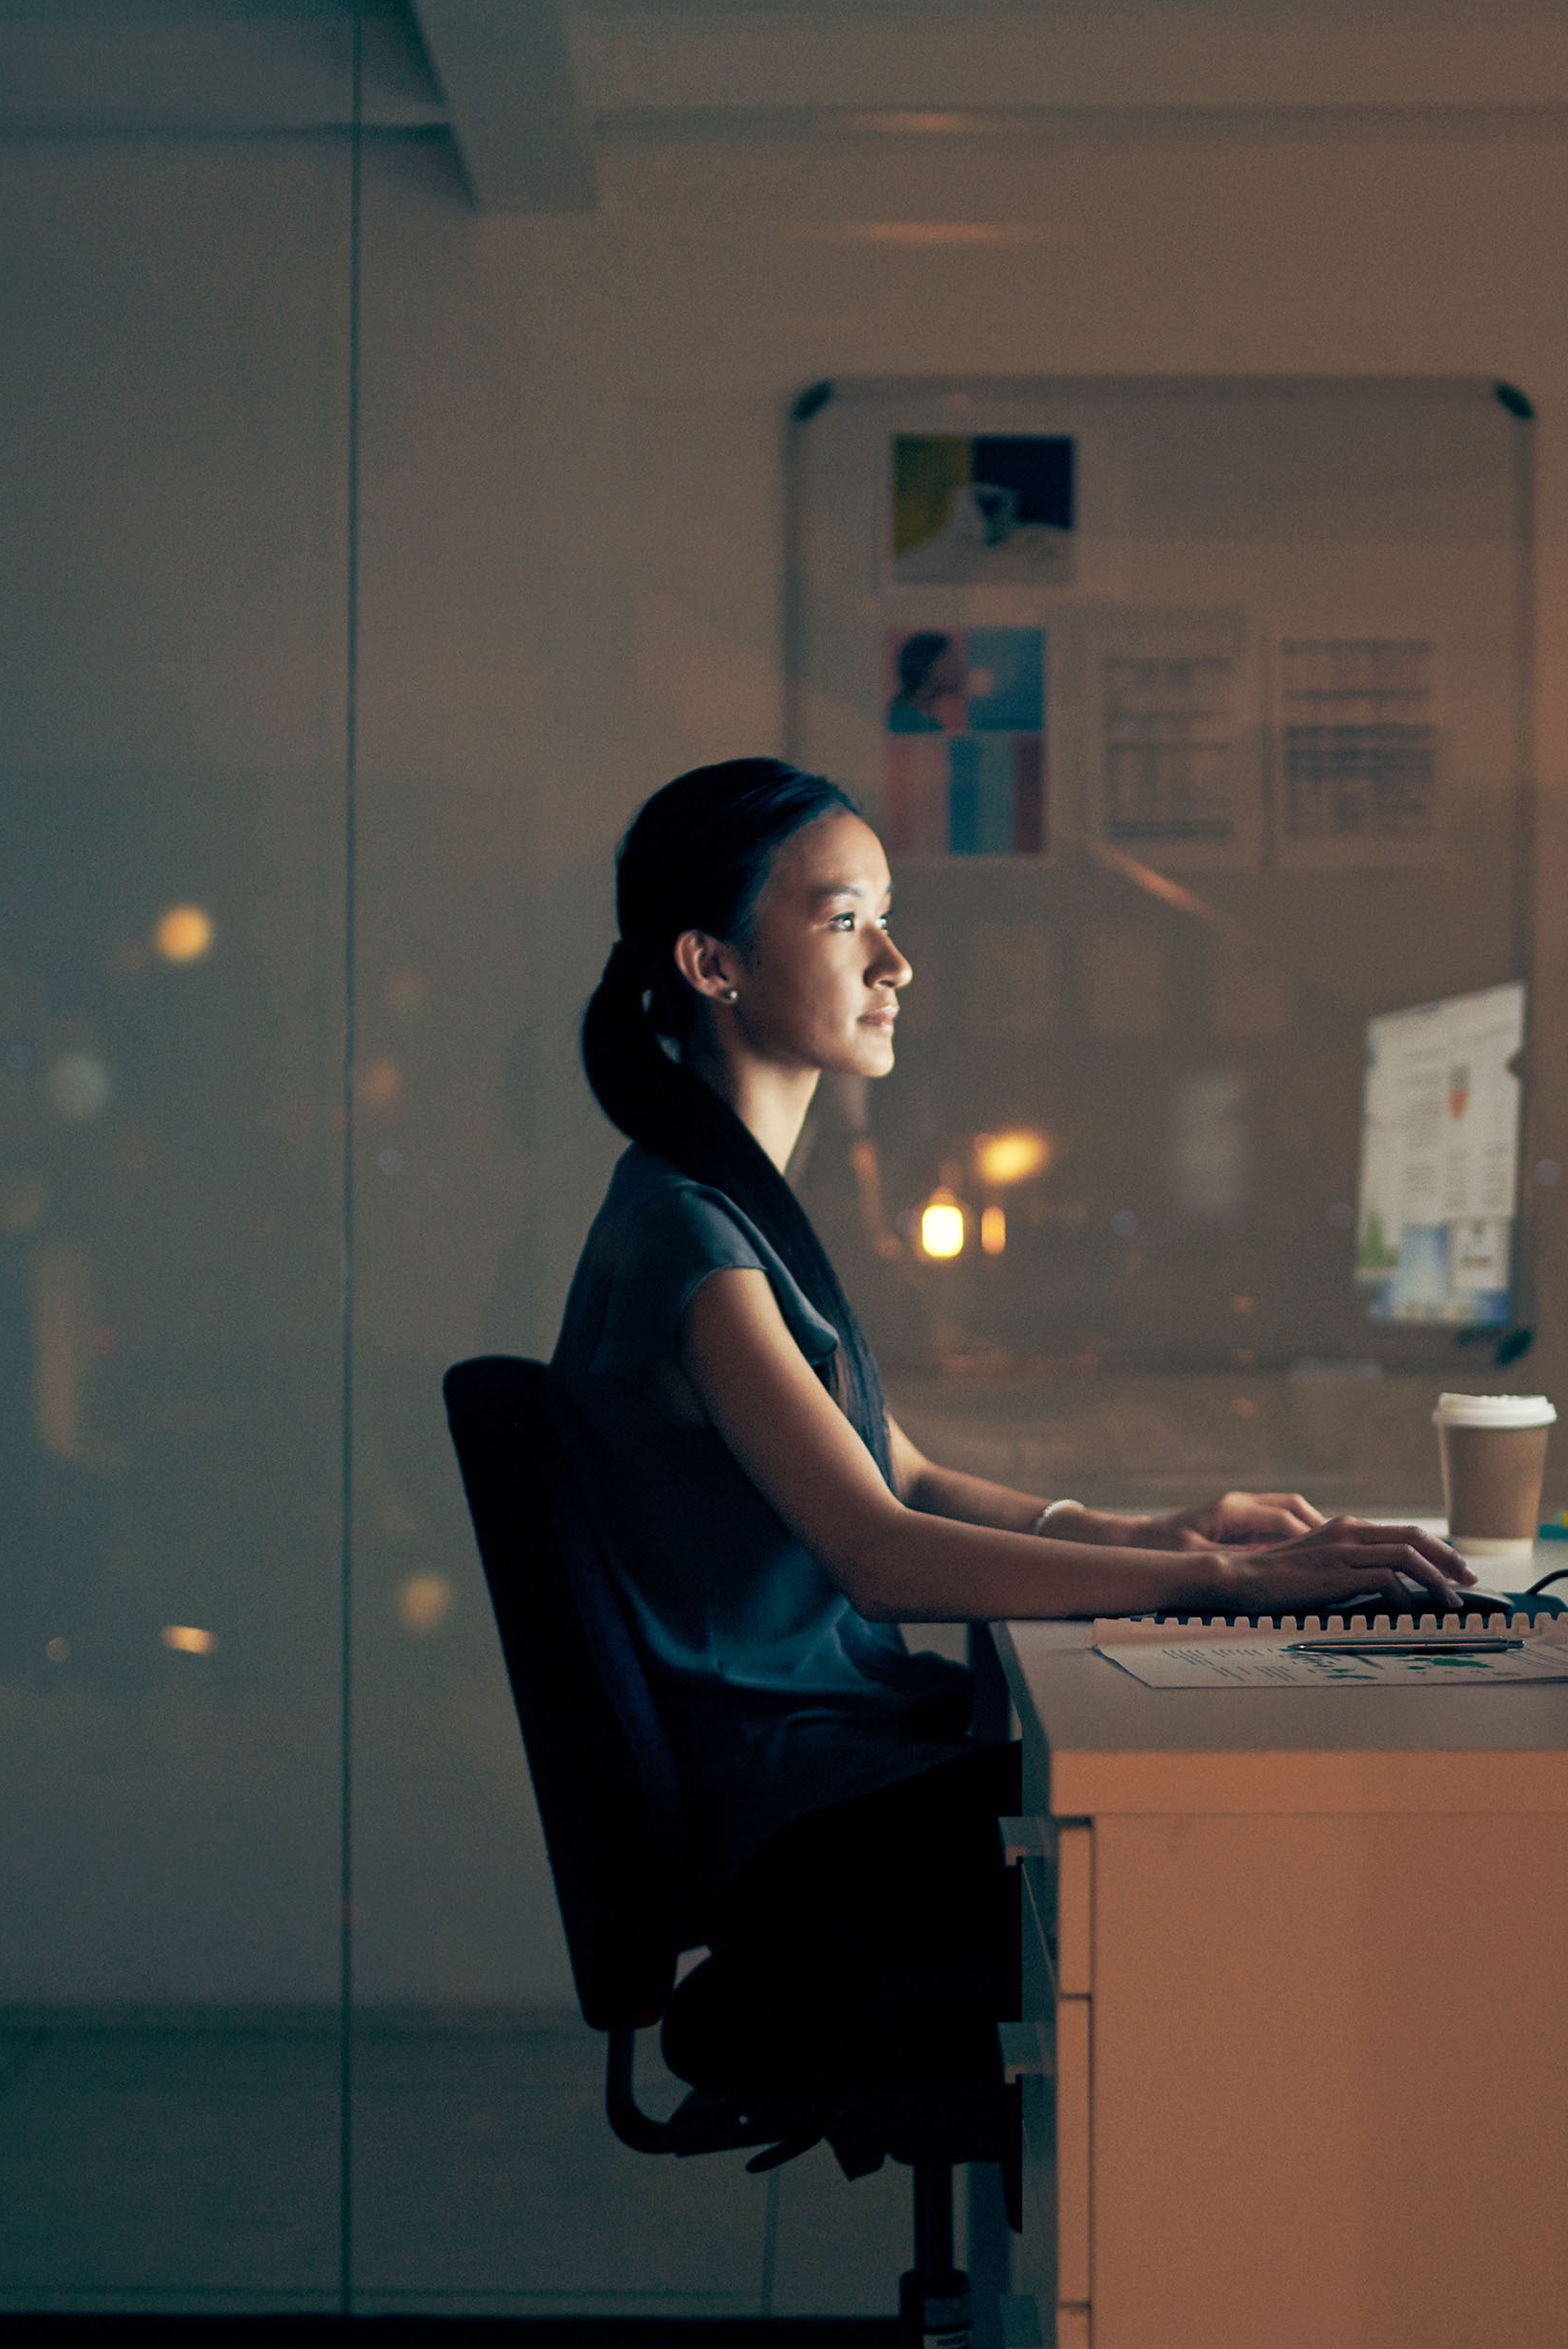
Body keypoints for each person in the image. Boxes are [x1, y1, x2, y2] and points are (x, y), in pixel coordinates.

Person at [554, 757, 1467, 2093]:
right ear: (713, 964)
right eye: (845, 918)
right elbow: (882, 1552)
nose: (897, 962)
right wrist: (1219, 1578)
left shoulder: (726, 1210)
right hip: (800, 1818)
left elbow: (899, 1469)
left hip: (834, 1774)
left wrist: (1132, 1530)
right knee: (1253, 1825)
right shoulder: (692, 1240)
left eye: (886, 915)